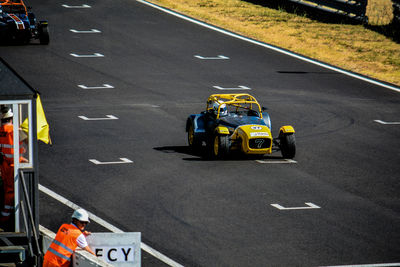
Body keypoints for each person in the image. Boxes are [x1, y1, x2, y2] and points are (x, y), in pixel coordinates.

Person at [0, 107, 27, 225]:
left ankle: (7, 212)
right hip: (14, 164)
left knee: (7, 188)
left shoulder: (0, 130)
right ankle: (6, 216)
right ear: (11, 118)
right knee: (11, 190)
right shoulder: (15, 130)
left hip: (4, 164)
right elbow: (27, 141)